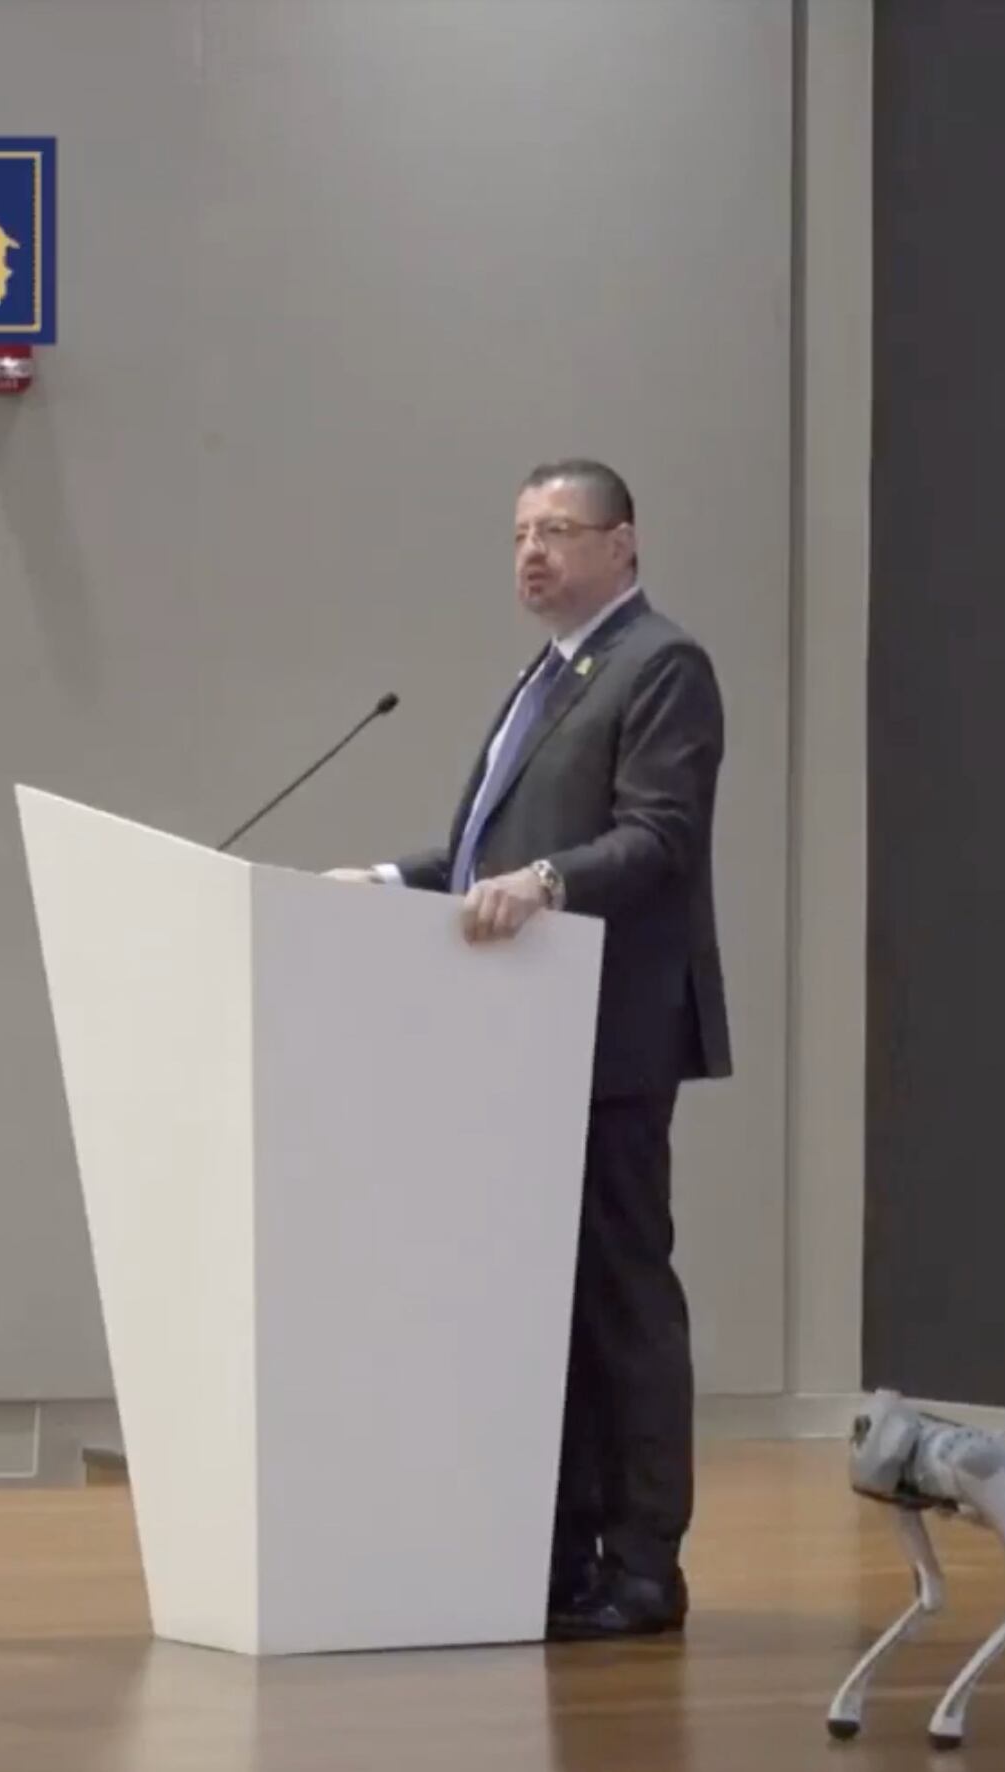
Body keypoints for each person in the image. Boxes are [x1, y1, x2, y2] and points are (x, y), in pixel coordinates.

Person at [328, 458, 728, 1639]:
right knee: (540, 1307)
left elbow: (658, 838)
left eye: (559, 529)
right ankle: (558, 1551)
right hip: (519, 1044)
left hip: (605, 1033)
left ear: (626, 543)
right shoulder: (547, 678)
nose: (533, 552)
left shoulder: (661, 666)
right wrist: (395, 878)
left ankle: (646, 1564)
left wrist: (547, 881)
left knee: (620, 1303)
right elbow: (486, 850)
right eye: (519, 534)